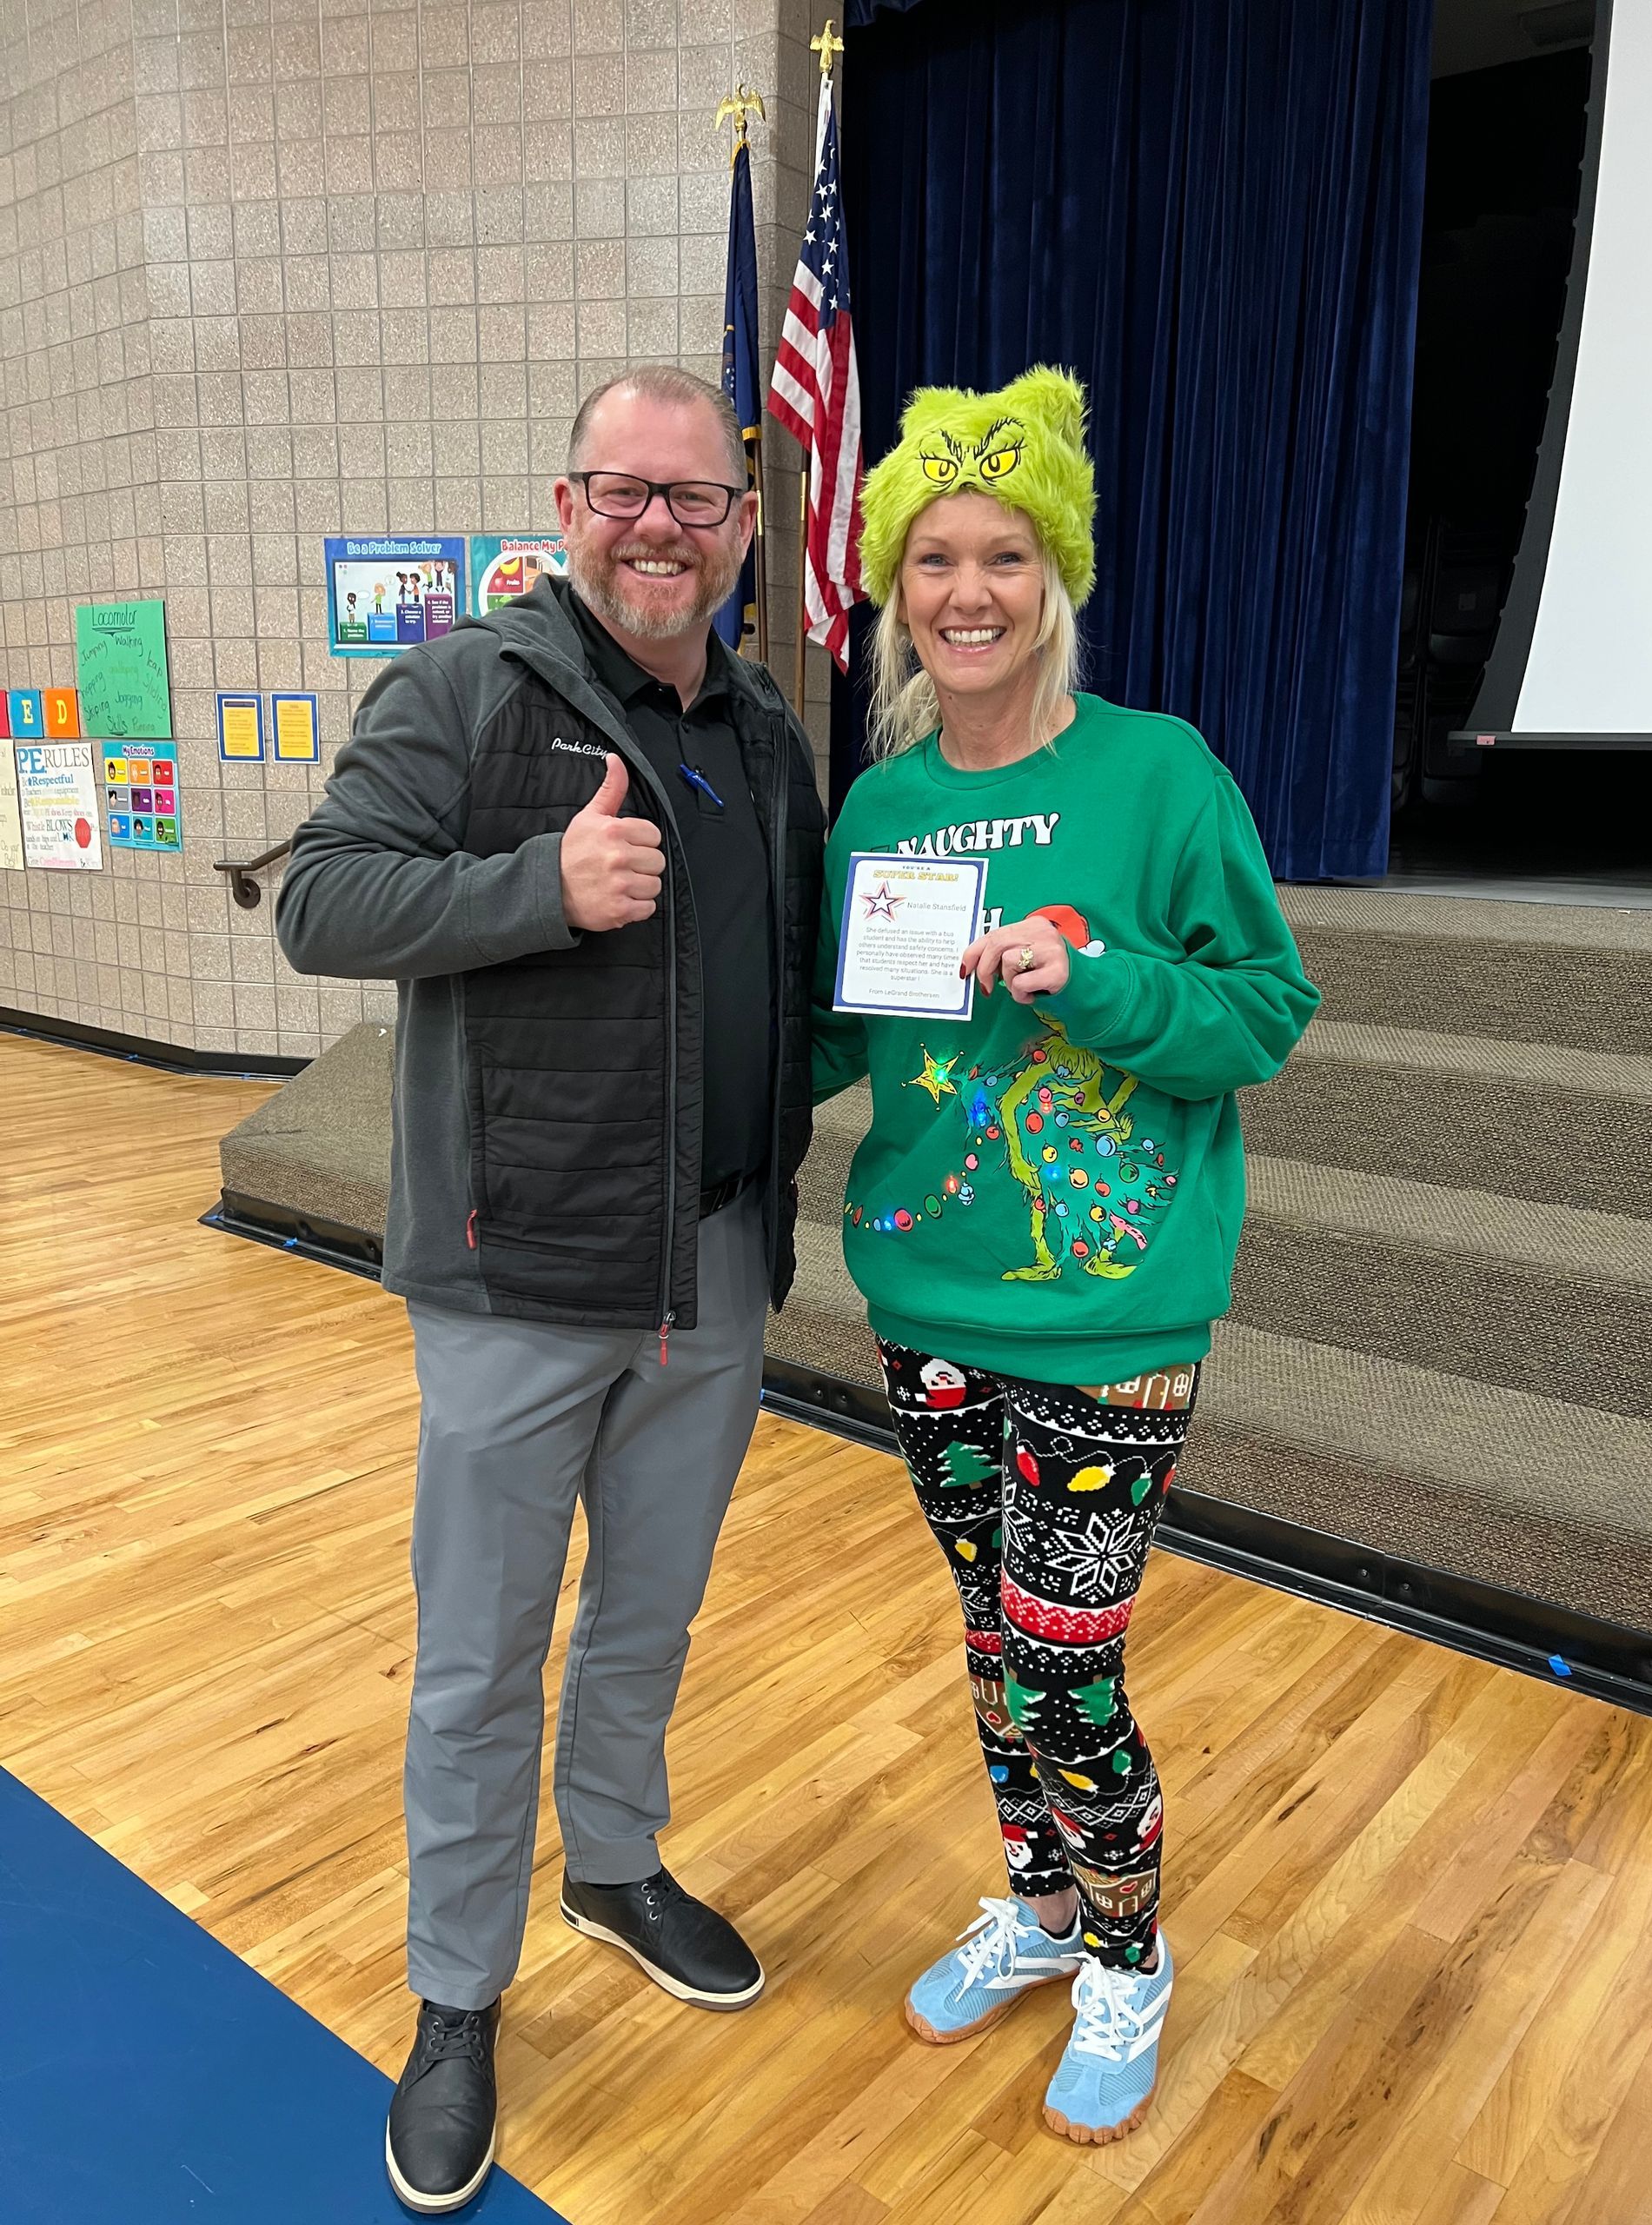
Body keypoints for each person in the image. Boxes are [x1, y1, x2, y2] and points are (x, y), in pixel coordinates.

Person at [276, 366, 824, 2215]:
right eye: (627, 491)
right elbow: (323, 901)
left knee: (647, 1622)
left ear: (744, 528)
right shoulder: (466, 688)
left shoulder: (765, 730)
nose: (660, 525)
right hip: (520, 1271)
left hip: (717, 1263)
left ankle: (612, 1864)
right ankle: (455, 1992)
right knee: (479, 1659)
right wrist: (537, 881)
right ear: (570, 499)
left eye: (698, 499)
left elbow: (778, 977)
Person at [813, 368, 1319, 2147]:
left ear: (1057, 578)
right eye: (934, 557)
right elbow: (837, 1035)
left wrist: (1089, 976)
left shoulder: (1157, 770)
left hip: (1113, 1313)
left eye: (1003, 555)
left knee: (1065, 1657)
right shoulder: (878, 811)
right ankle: (1037, 1906)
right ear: (893, 587)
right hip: (926, 1296)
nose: (967, 590)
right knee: (987, 1635)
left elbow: (1266, 1012)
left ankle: (1127, 1951)